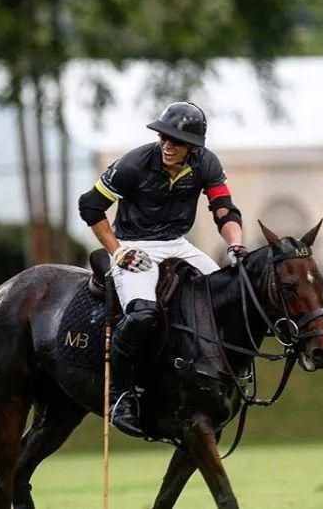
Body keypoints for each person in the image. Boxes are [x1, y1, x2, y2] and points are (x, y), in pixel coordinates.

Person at [78, 101, 247, 436]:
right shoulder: (133, 164)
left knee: (229, 292)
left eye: (177, 141)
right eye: (164, 138)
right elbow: (90, 206)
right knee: (141, 315)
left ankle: (227, 376)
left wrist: (236, 244)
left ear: (193, 147)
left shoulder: (207, 164)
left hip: (177, 244)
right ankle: (120, 395)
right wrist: (117, 251)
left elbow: (224, 210)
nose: (168, 146)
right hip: (134, 245)